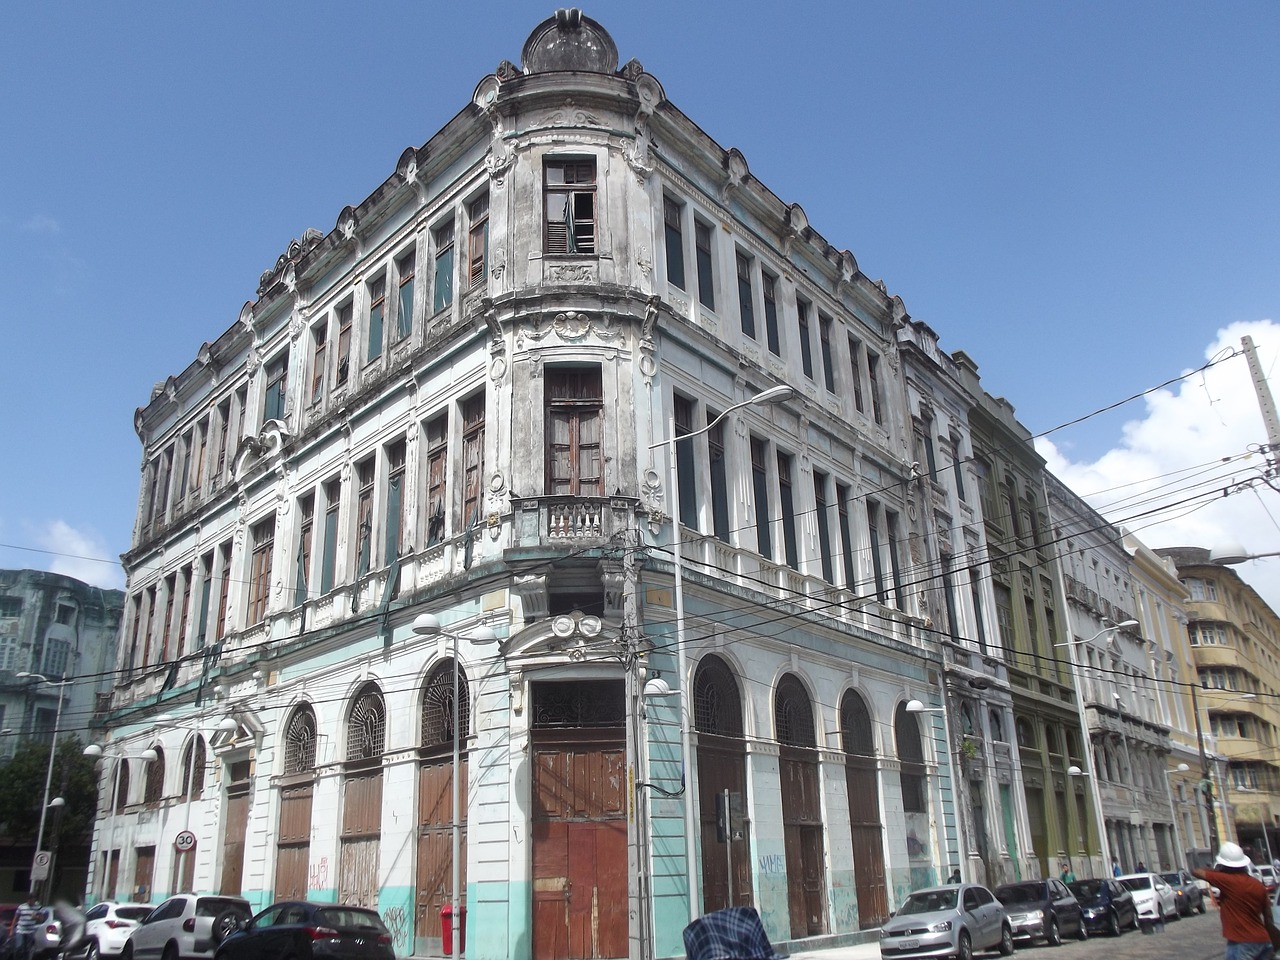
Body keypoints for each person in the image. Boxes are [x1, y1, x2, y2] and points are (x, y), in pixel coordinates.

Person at [1192, 841, 1280, 960]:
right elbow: (1268, 919)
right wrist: (1275, 943)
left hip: (1241, 943)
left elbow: (1196, 871)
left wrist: (1217, 870)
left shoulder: (1226, 880)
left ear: (1224, 865)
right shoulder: (1257, 885)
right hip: (1263, 941)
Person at [9, 896, 41, 960]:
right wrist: (11, 930)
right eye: (30, 900)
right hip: (20, 930)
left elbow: (41, 918)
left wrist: (36, 917)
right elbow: (15, 918)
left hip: (30, 931)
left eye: (33, 900)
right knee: (19, 947)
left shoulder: (37, 907)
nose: (31, 902)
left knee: (27, 949)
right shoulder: (21, 907)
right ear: (27, 900)